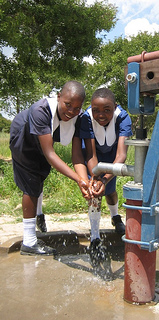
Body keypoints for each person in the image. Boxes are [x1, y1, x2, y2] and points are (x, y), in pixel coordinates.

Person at [10, 80, 90, 256]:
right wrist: (78, 179)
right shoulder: (40, 110)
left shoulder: (80, 117)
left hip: (45, 138)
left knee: (40, 175)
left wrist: (84, 181)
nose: (71, 111)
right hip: (22, 137)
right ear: (58, 97)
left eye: (77, 108)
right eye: (67, 104)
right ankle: (29, 242)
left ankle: (38, 215)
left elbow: (77, 156)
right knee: (31, 181)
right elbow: (50, 154)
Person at [75, 88, 132, 266]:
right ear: (90, 108)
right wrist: (96, 177)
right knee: (95, 193)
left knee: (110, 190)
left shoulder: (123, 117)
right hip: (94, 158)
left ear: (114, 107)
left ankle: (115, 218)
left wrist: (106, 178)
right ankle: (94, 239)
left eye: (107, 110)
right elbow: (91, 155)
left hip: (113, 157)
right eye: (96, 110)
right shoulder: (85, 119)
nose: (101, 114)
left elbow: (121, 155)